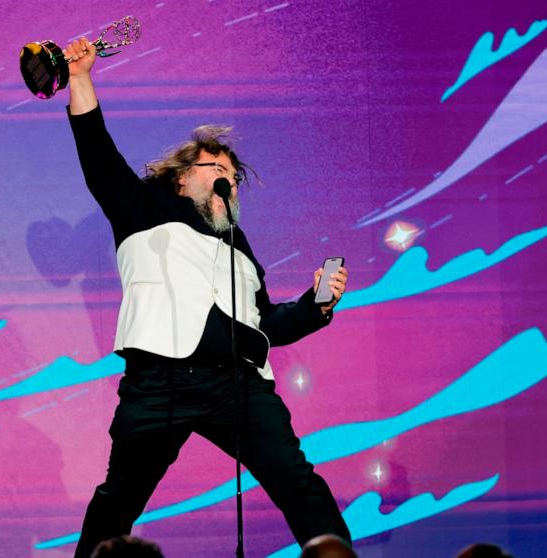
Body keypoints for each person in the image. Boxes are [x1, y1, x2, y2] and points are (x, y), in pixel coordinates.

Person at [60, 38, 352, 558]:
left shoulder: (241, 250)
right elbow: (97, 155)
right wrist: (81, 79)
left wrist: (317, 303)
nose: (228, 182)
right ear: (179, 177)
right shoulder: (141, 208)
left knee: (295, 480)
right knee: (119, 498)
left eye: (233, 177)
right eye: (215, 170)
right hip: (159, 381)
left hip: (237, 384)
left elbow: (267, 323)